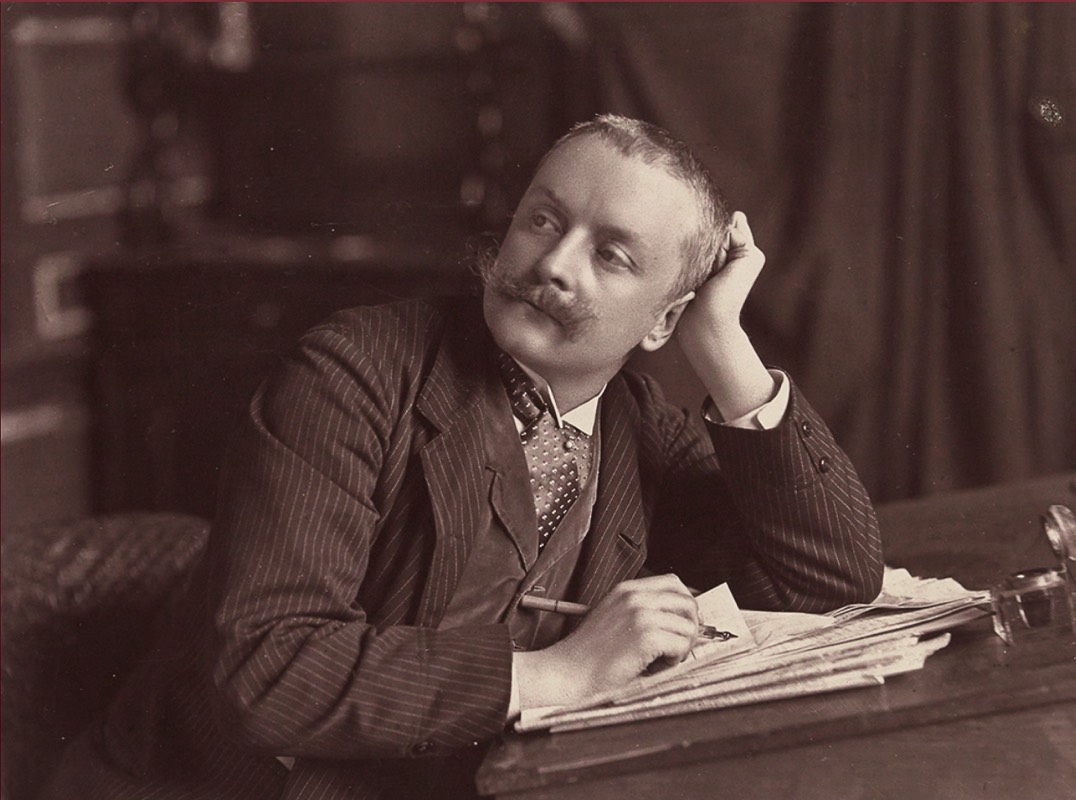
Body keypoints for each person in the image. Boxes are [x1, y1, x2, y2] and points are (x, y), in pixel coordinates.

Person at [45, 115, 883, 800]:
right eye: (543, 219)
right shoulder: (352, 371)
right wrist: (556, 674)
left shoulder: (634, 425)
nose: (551, 264)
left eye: (611, 255)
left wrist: (724, 345)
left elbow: (831, 580)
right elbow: (268, 668)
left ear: (664, 320)